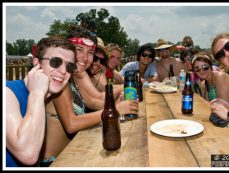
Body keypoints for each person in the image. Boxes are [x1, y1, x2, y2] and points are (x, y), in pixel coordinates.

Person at [42, 26, 138, 164]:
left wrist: (118, 104)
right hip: (54, 162)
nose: (85, 57)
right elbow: (71, 123)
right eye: (79, 49)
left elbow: (94, 100)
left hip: (74, 151)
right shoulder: (59, 78)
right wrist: (116, 110)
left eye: (90, 52)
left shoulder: (76, 74)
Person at [6, 36, 77, 167]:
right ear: (36, 63)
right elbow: (27, 154)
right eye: (55, 62)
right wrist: (37, 92)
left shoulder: (44, 100)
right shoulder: (7, 93)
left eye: (70, 66)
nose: (63, 71)